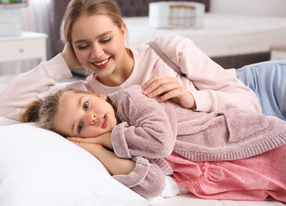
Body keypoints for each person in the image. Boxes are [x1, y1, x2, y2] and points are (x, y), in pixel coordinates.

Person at [0, 0, 286, 120]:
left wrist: (192, 98)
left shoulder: (167, 50)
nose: (97, 53)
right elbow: (0, 107)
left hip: (264, 86)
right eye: (82, 46)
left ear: (122, 31)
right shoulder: (86, 95)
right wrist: (62, 63)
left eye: (105, 39)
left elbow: (249, 102)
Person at [22, 85, 286, 201]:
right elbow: (154, 184)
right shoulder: (120, 144)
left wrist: (105, 139)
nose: (90, 118)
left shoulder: (131, 99)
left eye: (86, 105)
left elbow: (160, 143)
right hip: (235, 172)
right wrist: (97, 151)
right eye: (80, 126)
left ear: (94, 94)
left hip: (251, 141)